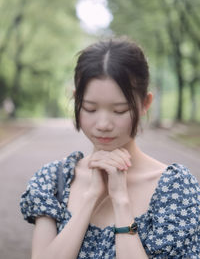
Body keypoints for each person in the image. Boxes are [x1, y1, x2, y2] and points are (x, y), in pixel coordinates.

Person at [20, 38, 200, 259]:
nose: (103, 124)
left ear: (145, 104)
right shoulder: (53, 181)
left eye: (120, 110)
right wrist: (91, 197)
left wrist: (120, 201)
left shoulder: (175, 189)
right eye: (90, 108)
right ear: (76, 100)